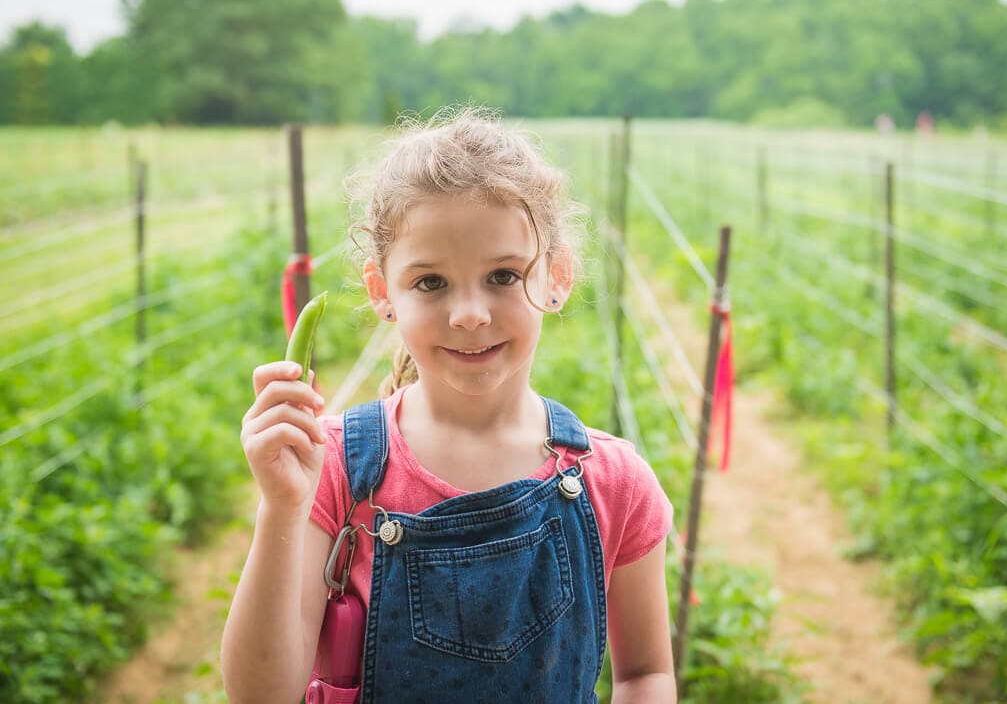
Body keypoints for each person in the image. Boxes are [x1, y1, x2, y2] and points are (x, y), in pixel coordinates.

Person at [222, 107, 676, 703]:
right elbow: (260, 695)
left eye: (504, 276)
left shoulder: (614, 483)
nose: (469, 314)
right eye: (431, 282)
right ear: (383, 292)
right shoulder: (330, 469)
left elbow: (645, 674)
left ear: (556, 276)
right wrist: (281, 508)